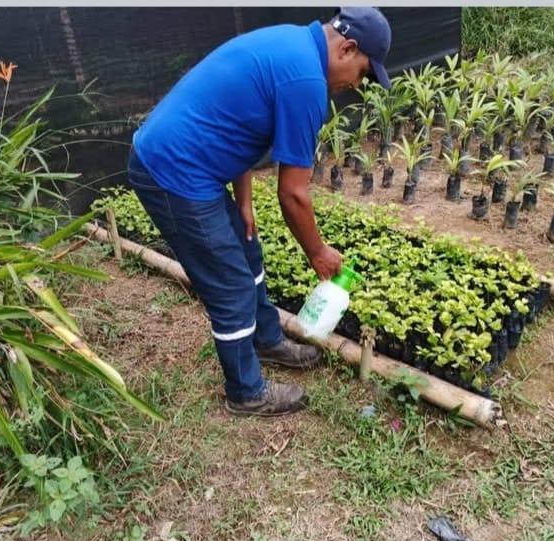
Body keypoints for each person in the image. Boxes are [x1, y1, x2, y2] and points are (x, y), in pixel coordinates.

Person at [127, 7, 392, 416]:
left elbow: (241, 126)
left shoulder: (293, 46)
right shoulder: (306, 82)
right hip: (173, 169)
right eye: (363, 73)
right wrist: (318, 253)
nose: (357, 84)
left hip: (191, 161)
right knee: (230, 284)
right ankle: (246, 392)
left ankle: (267, 340)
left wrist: (244, 202)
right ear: (348, 48)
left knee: (247, 249)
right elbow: (293, 194)